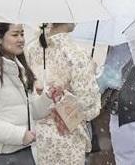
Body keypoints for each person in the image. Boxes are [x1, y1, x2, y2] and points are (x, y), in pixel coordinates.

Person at [0, 23, 54, 165]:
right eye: (15, 35)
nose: (21, 39)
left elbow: (31, 111)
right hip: (2, 156)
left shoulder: (18, 70)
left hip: (25, 151)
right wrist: (19, 135)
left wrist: (48, 98)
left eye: (22, 34)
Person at [24, 23, 101, 165]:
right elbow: (88, 102)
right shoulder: (76, 53)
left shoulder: (31, 50)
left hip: (37, 135)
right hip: (68, 134)